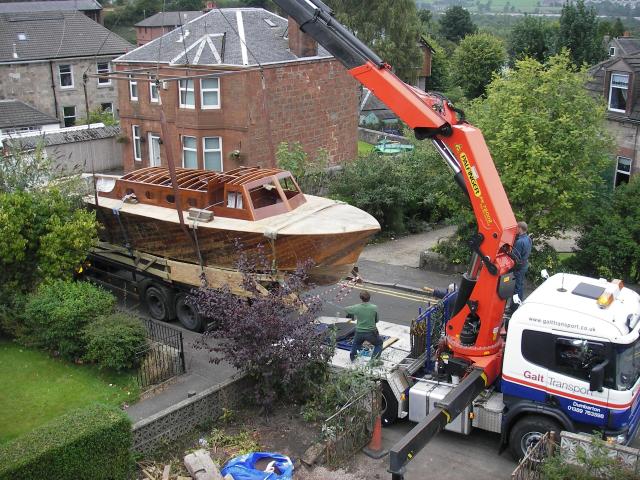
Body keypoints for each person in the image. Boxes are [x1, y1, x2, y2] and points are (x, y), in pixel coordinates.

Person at [345, 290, 383, 362]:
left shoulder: (357, 307)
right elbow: (377, 320)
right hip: (371, 332)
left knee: (356, 344)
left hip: (359, 332)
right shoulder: (374, 307)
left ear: (361, 298)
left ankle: (353, 359)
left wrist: (353, 313)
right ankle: (373, 361)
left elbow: (346, 309)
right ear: (369, 298)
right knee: (379, 344)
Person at [511, 221, 533, 312]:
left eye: (517, 228)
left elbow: (514, 256)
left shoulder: (520, 242)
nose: (516, 229)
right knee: (520, 285)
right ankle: (518, 305)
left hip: (519, 267)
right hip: (525, 265)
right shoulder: (528, 239)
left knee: (517, 287)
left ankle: (514, 308)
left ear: (520, 228)